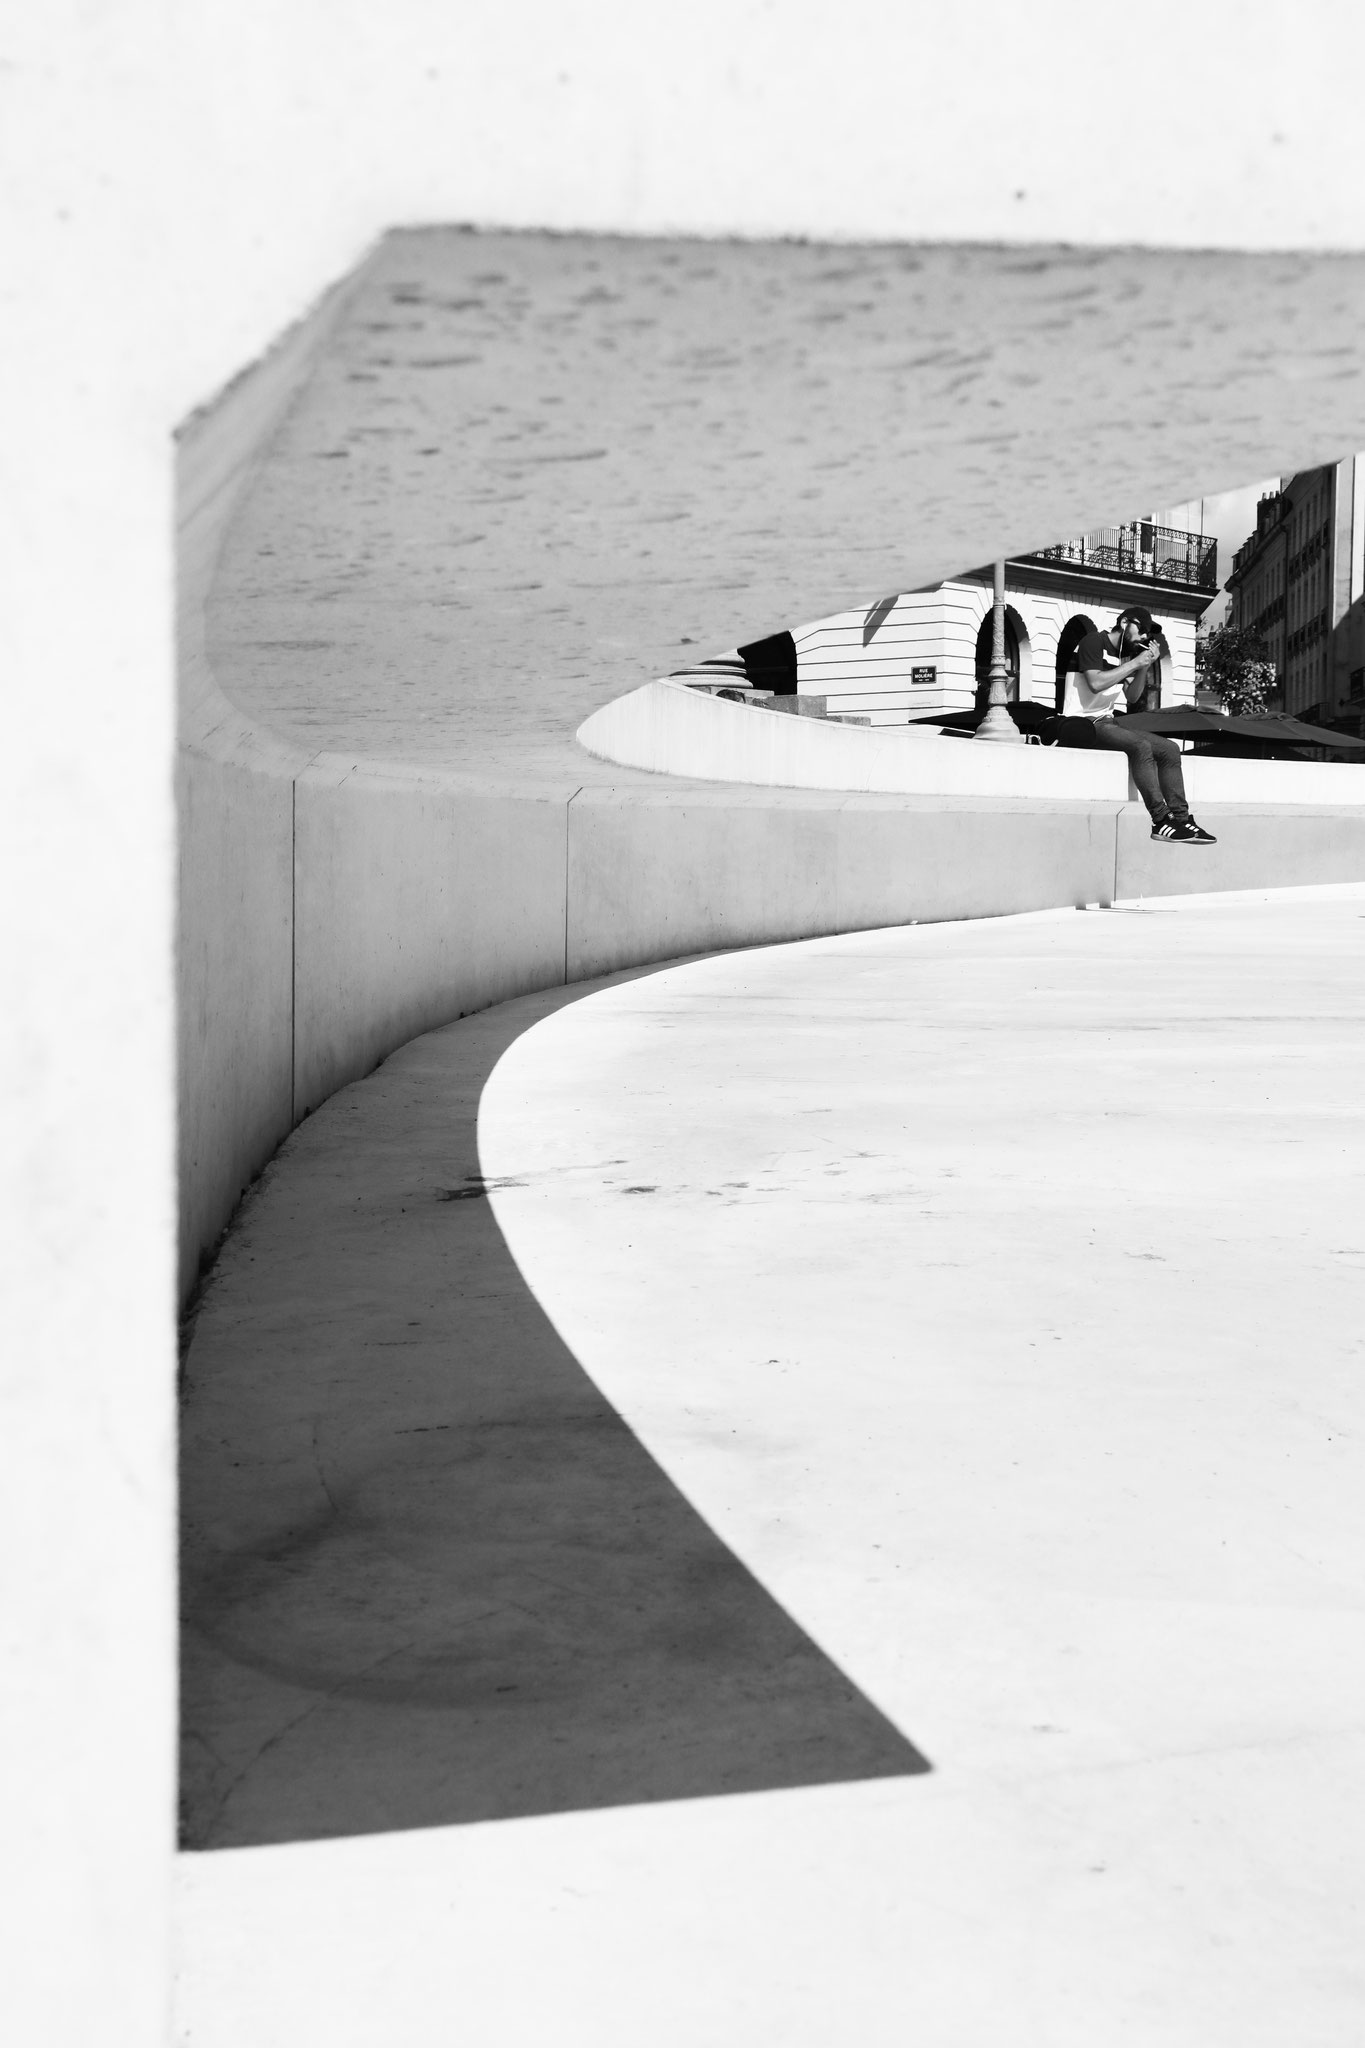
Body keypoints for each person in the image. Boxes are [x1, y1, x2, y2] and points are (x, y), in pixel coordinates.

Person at [1072, 607, 1216, 843]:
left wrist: (1145, 666)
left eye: (1147, 635)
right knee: (1140, 746)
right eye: (1142, 632)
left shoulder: (1123, 655)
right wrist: (1135, 662)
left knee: (1169, 749)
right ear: (1125, 622)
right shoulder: (1093, 641)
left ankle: (1181, 819)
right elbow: (1096, 683)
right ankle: (1160, 820)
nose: (1144, 638)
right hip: (1081, 722)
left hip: (1106, 721)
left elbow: (1132, 696)